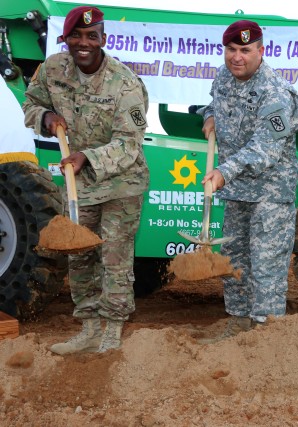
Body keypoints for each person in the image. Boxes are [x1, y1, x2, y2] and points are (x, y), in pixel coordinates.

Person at [23, 6, 150, 354]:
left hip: (122, 182)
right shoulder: (52, 70)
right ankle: (89, 328)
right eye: (76, 36)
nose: (83, 43)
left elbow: (129, 143)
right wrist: (45, 115)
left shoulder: (124, 83)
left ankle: (111, 331)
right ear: (65, 40)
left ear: (103, 39)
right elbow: (31, 103)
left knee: (113, 258)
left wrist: (87, 158)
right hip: (79, 184)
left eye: (91, 36)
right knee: (79, 257)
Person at [200, 20, 298, 337]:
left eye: (245, 50)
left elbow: (265, 149)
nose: (236, 57)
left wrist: (223, 172)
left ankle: (266, 332)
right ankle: (238, 320)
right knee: (234, 258)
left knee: (266, 265)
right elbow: (215, 101)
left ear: (261, 50)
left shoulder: (276, 94)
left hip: (270, 192)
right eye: (231, 49)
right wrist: (209, 115)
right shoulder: (223, 77)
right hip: (238, 190)